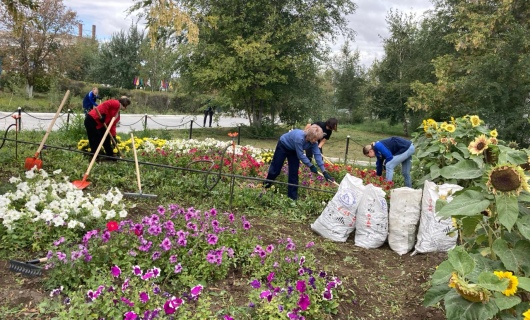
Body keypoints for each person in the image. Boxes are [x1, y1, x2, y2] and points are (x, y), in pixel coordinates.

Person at [264, 125, 335, 200]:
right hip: (283, 145)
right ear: (310, 136)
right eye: (315, 139)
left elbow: (317, 155)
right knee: (275, 169)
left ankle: (292, 198)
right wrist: (311, 166)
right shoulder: (299, 138)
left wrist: (324, 171)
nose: (316, 141)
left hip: (294, 150)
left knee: (294, 174)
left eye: (317, 139)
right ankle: (265, 187)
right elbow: (300, 155)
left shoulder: (314, 142)